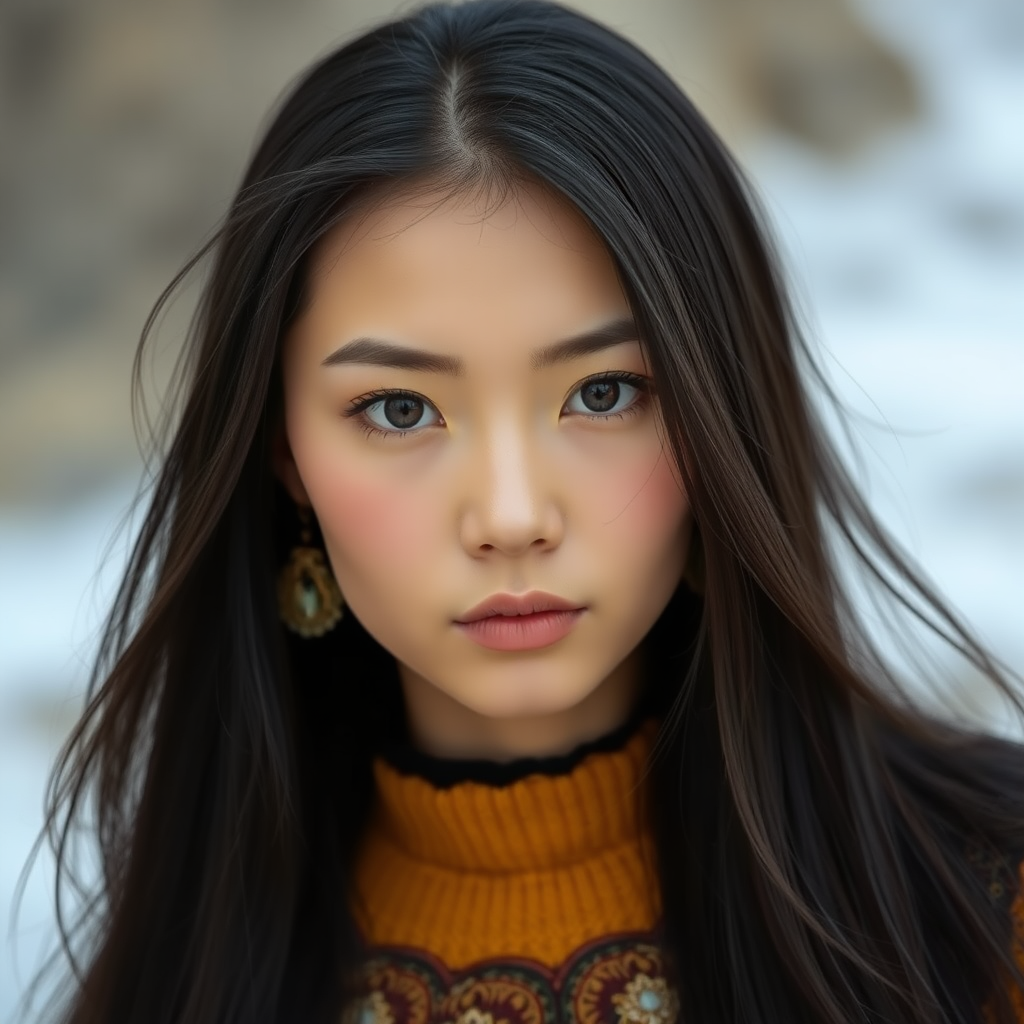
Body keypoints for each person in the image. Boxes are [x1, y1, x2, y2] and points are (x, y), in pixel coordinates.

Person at [33, 1, 1024, 1021]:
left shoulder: (987, 910)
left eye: (602, 393)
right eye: (400, 409)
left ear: (716, 411)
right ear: (283, 452)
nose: (510, 517)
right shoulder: (177, 984)